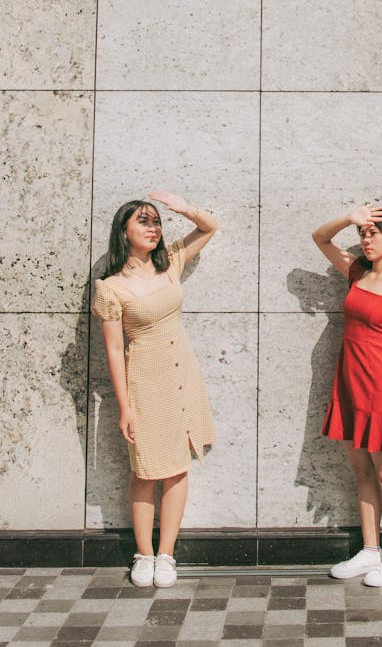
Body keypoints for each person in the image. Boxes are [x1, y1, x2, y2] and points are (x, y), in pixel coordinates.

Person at [92, 191, 218, 588]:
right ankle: (143, 553)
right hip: (145, 380)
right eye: (143, 221)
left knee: (178, 469)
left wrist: (182, 208)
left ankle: (167, 554)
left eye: (156, 221)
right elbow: (114, 349)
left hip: (183, 374)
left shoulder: (171, 263)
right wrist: (124, 407)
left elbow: (210, 226)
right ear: (123, 231)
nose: (153, 227)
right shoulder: (110, 287)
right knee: (145, 470)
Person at [313, 202, 382, 587]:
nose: (365, 239)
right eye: (363, 234)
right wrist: (349, 217)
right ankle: (370, 551)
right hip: (348, 382)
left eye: (373, 233)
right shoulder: (356, 273)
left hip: (380, 384)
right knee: (361, 471)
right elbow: (320, 238)